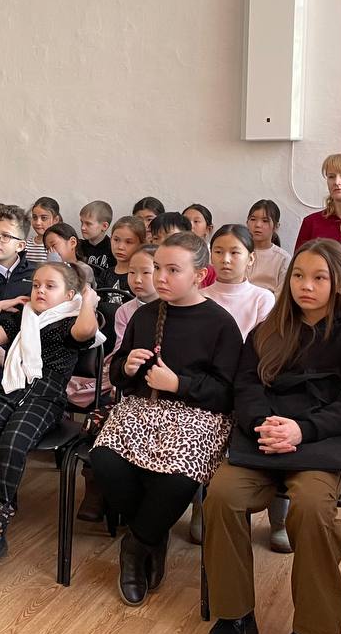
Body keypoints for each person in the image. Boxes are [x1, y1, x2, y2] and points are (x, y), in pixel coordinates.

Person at [201, 239, 341, 634]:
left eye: (319, 277)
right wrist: (264, 425)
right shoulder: (266, 331)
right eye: (298, 275)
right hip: (263, 441)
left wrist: (302, 430)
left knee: (313, 509)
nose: (306, 286)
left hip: (320, 446)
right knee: (221, 495)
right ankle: (234, 614)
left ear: (340, 284)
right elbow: (246, 387)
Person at [90, 232, 242, 607]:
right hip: (143, 408)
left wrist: (179, 384)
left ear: (200, 275)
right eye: (157, 268)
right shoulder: (145, 315)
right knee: (104, 460)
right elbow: (121, 376)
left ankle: (135, 545)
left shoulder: (220, 324)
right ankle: (152, 535)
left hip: (198, 415)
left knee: (178, 476)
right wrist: (126, 367)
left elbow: (227, 393)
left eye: (173, 270)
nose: (160, 277)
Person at [0, 262, 100, 568]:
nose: (40, 291)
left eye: (50, 286)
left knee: (12, 443)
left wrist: (88, 301)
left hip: (46, 397)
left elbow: (87, 331)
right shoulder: (22, 319)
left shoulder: (68, 321)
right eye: (36, 285)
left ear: (69, 295)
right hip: (11, 389)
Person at [200, 224, 279, 548]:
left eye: (235, 252)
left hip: (251, 386)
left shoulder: (263, 298)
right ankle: (203, 505)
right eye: (219, 252)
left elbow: (266, 353)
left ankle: (279, 516)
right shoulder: (200, 296)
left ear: (250, 259)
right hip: (209, 387)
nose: (226, 259)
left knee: (270, 427)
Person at [76, 244, 160, 524]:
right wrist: (122, 370)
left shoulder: (173, 309)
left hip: (158, 388)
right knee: (97, 419)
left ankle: (141, 500)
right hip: (128, 380)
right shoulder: (126, 310)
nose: (137, 279)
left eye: (146, 272)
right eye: (132, 273)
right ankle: (95, 487)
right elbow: (122, 350)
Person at [44, 223, 116, 289]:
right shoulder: (47, 270)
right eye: (47, 249)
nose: (51, 252)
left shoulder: (84, 269)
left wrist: (57, 267)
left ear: (72, 243)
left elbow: (77, 293)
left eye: (54, 245)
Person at [247, 199, 291, 294]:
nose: (258, 225)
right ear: (247, 223)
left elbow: (281, 295)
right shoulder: (239, 252)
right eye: (253, 219)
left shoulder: (283, 258)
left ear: (276, 226)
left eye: (265, 221)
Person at [77, 200, 114, 271]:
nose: (83, 227)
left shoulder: (113, 249)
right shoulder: (78, 247)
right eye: (82, 222)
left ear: (104, 226)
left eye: (88, 224)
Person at [26, 197, 62, 265]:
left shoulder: (60, 245)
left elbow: (65, 269)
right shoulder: (26, 245)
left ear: (56, 220)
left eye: (44, 218)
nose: (38, 223)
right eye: (34, 217)